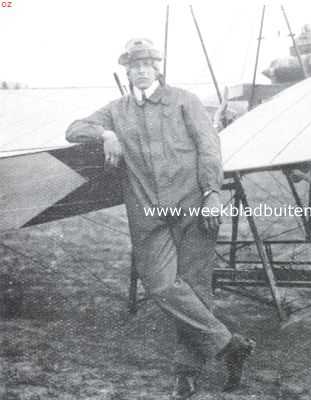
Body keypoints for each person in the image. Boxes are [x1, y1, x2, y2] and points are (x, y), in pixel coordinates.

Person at [66, 38, 255, 399]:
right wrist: (105, 133)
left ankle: (186, 373)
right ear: (127, 71)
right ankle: (230, 345)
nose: (139, 71)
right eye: (133, 66)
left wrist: (212, 194)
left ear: (157, 67)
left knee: (195, 286)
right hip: (148, 214)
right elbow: (74, 128)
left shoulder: (184, 100)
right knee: (162, 286)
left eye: (146, 64)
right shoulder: (117, 110)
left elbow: (208, 146)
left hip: (193, 205)